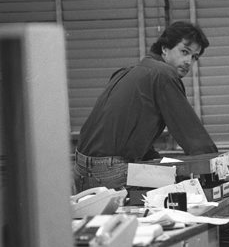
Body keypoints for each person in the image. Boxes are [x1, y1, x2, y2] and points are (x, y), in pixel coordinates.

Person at [73, 21, 218, 193]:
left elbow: (130, 135)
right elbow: (193, 137)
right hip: (112, 171)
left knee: (175, 180)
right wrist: (219, 178)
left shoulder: (129, 72)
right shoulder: (164, 75)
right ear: (165, 49)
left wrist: (157, 161)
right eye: (184, 52)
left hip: (81, 171)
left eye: (194, 57)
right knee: (187, 191)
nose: (188, 61)